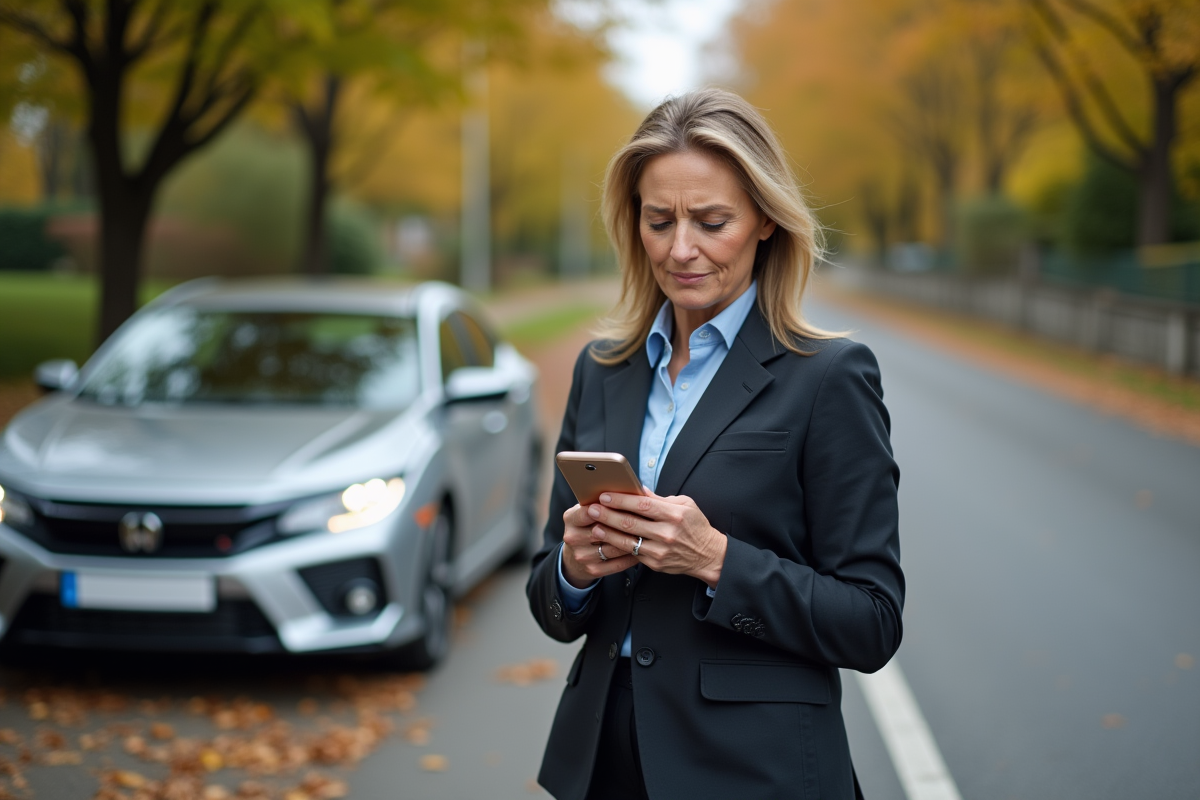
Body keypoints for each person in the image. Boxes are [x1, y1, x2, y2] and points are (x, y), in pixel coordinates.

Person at [526, 88, 903, 800]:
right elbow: (549, 593)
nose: (680, 249)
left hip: (755, 772)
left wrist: (715, 559)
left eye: (711, 221)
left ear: (765, 220)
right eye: (658, 219)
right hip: (603, 762)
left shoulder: (829, 377)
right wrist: (574, 570)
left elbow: (872, 622)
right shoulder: (602, 368)